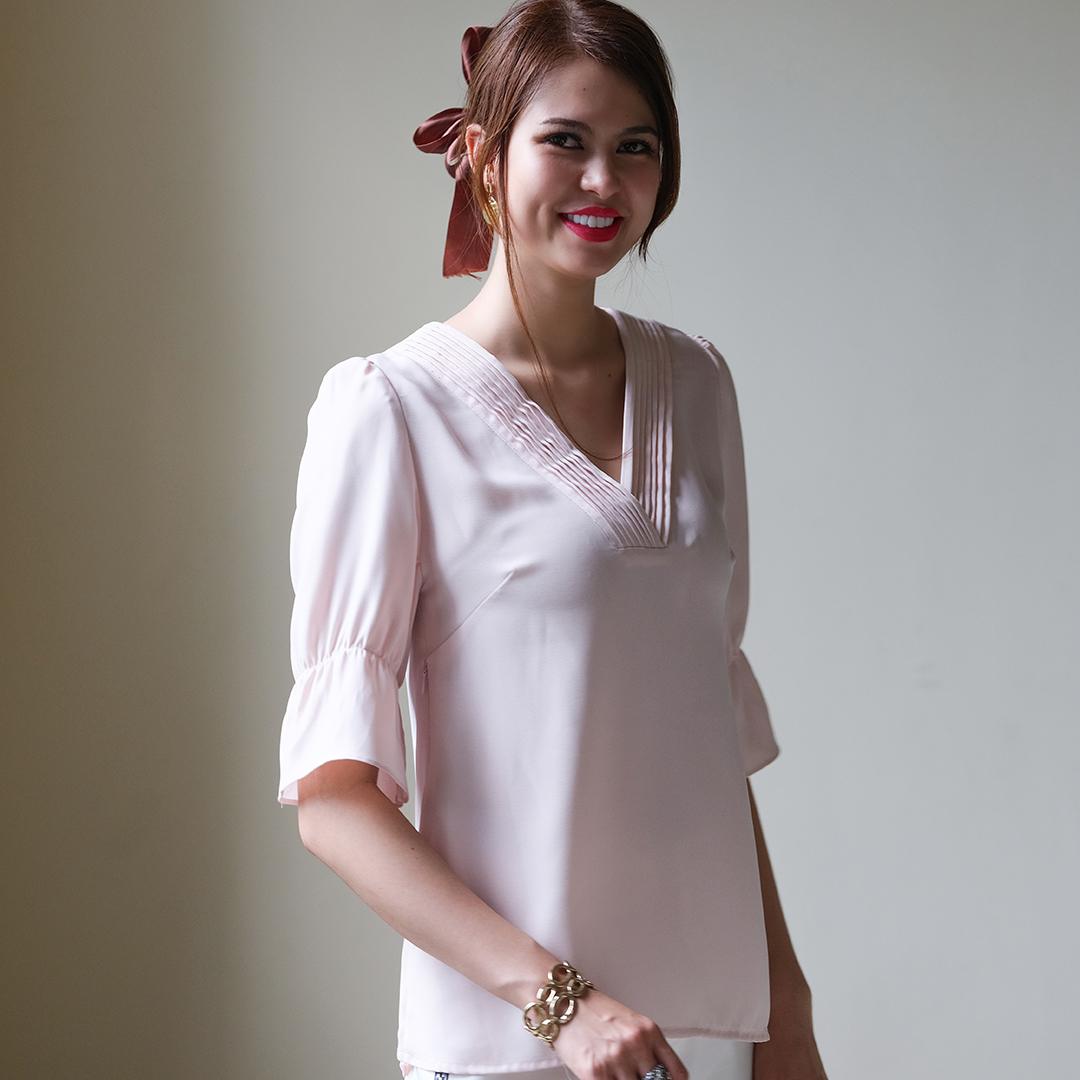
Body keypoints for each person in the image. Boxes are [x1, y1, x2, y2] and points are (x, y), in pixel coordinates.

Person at [278, 2, 829, 1079]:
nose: (604, 181)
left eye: (638, 147)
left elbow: (707, 736)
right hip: (518, 1040)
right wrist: (562, 1005)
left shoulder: (698, 381)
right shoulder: (392, 408)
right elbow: (333, 803)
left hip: (711, 1027)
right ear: (484, 157)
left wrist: (789, 1008)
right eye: (566, 140)